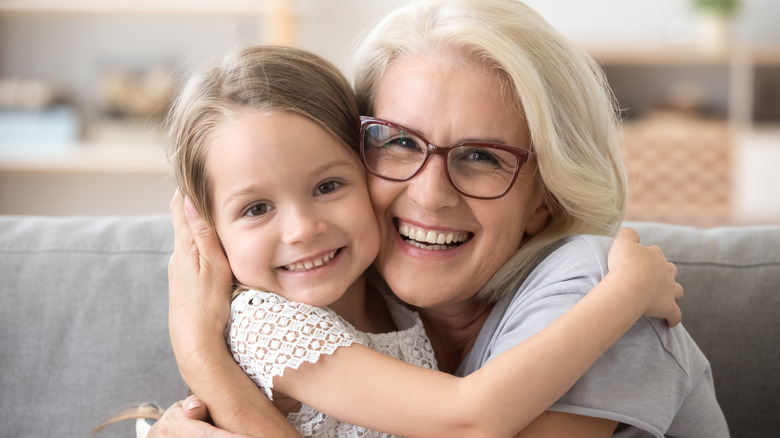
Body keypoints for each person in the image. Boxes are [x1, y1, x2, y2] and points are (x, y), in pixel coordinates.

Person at [154, 0, 728, 436]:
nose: (428, 197)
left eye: (481, 157)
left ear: (546, 198)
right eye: (399, 142)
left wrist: (205, 360)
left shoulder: (586, 290)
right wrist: (201, 359)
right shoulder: (329, 301)